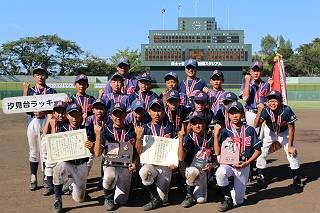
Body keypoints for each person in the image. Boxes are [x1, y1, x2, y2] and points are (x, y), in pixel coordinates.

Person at [214, 101, 261, 212]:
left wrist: (247, 162)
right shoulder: (225, 131)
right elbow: (217, 153)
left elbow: (258, 150)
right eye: (232, 113)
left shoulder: (250, 129)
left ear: (243, 114)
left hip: (243, 165)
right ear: (228, 115)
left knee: (238, 201)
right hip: (228, 163)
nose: (235, 116)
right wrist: (216, 136)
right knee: (220, 172)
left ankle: (232, 195)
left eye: (237, 112)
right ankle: (227, 198)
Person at [93, 102, 138, 211]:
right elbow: (97, 153)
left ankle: (124, 188)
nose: (118, 117)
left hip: (125, 165)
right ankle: (108, 198)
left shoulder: (131, 130)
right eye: (115, 114)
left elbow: (136, 151)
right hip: (110, 164)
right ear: (111, 115)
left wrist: (135, 163)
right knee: (109, 177)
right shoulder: (106, 130)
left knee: (121, 201)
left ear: (125, 115)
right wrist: (98, 135)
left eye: (120, 114)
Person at [254, 90, 303, 189]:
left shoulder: (287, 110)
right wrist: (259, 111)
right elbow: (256, 124)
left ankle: (297, 179)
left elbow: (291, 128)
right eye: (270, 101)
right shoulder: (266, 110)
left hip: (284, 132)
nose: (273, 103)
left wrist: (290, 146)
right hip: (270, 131)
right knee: (261, 152)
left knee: (292, 153)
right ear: (267, 103)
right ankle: (261, 177)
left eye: (275, 100)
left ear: (280, 102)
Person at [52, 103, 95, 213]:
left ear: (81, 116)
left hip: (81, 165)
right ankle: (57, 199)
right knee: (57, 169)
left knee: (79, 199)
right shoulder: (62, 129)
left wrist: (91, 146)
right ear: (67, 116)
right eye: (72, 115)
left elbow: (94, 151)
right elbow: (55, 146)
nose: (74, 118)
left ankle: (71, 185)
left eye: (77, 115)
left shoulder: (87, 130)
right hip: (68, 163)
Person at [135, 99, 174, 211]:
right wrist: (138, 138)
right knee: (143, 172)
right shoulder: (144, 128)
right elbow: (138, 151)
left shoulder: (169, 127)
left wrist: (173, 161)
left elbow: (174, 147)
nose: (156, 113)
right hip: (150, 163)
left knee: (164, 199)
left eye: (159, 110)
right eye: (154, 110)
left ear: (163, 111)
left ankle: (157, 196)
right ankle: (154, 197)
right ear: (149, 112)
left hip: (165, 165)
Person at [23, 65, 57, 191]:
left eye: (42, 74)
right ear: (34, 77)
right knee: (33, 151)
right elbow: (25, 108)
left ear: (46, 76)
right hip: (32, 122)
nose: (40, 77)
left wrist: (43, 112)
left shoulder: (51, 91)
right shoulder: (31, 90)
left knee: (46, 151)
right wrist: (25, 91)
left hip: (46, 122)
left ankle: (46, 177)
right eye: (37, 74)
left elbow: (55, 111)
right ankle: (33, 176)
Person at [178, 111, 215, 208]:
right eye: (194, 123)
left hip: (203, 172)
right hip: (190, 170)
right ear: (191, 125)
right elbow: (181, 158)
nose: (197, 126)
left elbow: (216, 158)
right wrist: (181, 139)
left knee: (201, 200)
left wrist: (212, 165)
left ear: (205, 123)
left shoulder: (210, 138)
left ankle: (193, 188)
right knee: (192, 171)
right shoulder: (188, 138)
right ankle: (189, 195)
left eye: (200, 122)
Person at [41, 101, 68, 196]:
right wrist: (49, 121)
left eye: (63, 112)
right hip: (54, 151)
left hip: (65, 151)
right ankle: (50, 187)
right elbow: (44, 134)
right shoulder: (52, 121)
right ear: (53, 113)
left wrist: (53, 126)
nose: (60, 114)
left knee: (63, 168)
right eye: (58, 112)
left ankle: (66, 185)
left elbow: (55, 141)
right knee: (49, 163)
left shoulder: (67, 124)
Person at [239, 60, 270, 129]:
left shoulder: (266, 84)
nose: (256, 73)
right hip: (250, 112)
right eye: (254, 70)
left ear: (262, 72)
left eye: (258, 71)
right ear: (250, 72)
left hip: (263, 113)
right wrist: (247, 82)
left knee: (263, 137)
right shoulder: (246, 83)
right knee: (251, 136)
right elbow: (245, 98)